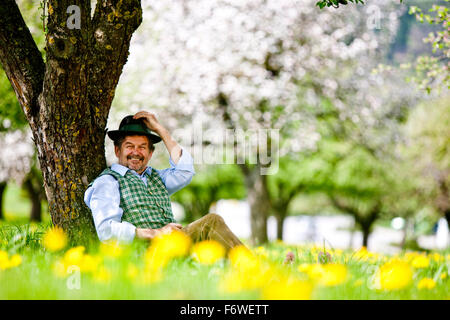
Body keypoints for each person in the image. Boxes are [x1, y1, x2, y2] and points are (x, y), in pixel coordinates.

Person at [84, 111, 244, 252]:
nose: (135, 152)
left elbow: (185, 170)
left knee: (211, 230)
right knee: (211, 222)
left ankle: (244, 272)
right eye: (129, 146)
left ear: (150, 153)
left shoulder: (156, 178)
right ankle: (251, 267)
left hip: (172, 245)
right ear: (117, 150)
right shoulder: (107, 182)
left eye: (142, 147)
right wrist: (155, 233)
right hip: (145, 251)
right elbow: (106, 230)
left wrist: (160, 130)